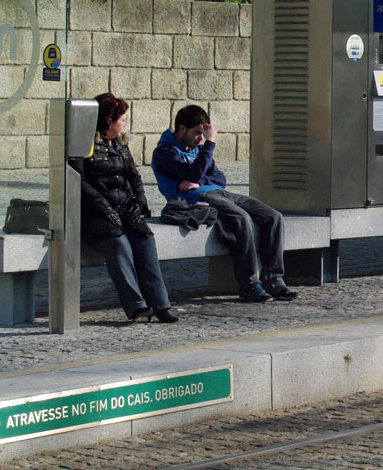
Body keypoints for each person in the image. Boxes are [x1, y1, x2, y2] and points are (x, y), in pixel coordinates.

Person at [151, 105, 299, 303]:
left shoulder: (197, 150)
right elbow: (192, 174)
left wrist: (201, 181)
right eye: (197, 133)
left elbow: (220, 178)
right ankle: (248, 283)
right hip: (193, 200)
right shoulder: (164, 152)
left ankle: (273, 279)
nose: (201, 139)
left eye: (204, 135)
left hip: (217, 191)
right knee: (241, 218)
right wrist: (210, 145)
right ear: (181, 129)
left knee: (273, 216)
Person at [73, 93, 178, 323]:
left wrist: (139, 202)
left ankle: (160, 304)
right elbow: (79, 182)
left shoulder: (120, 144)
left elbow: (133, 175)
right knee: (118, 244)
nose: (124, 123)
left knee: (145, 239)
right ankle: (136, 304)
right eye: (122, 119)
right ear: (109, 120)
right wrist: (105, 208)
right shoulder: (84, 144)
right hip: (96, 213)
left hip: (124, 208)